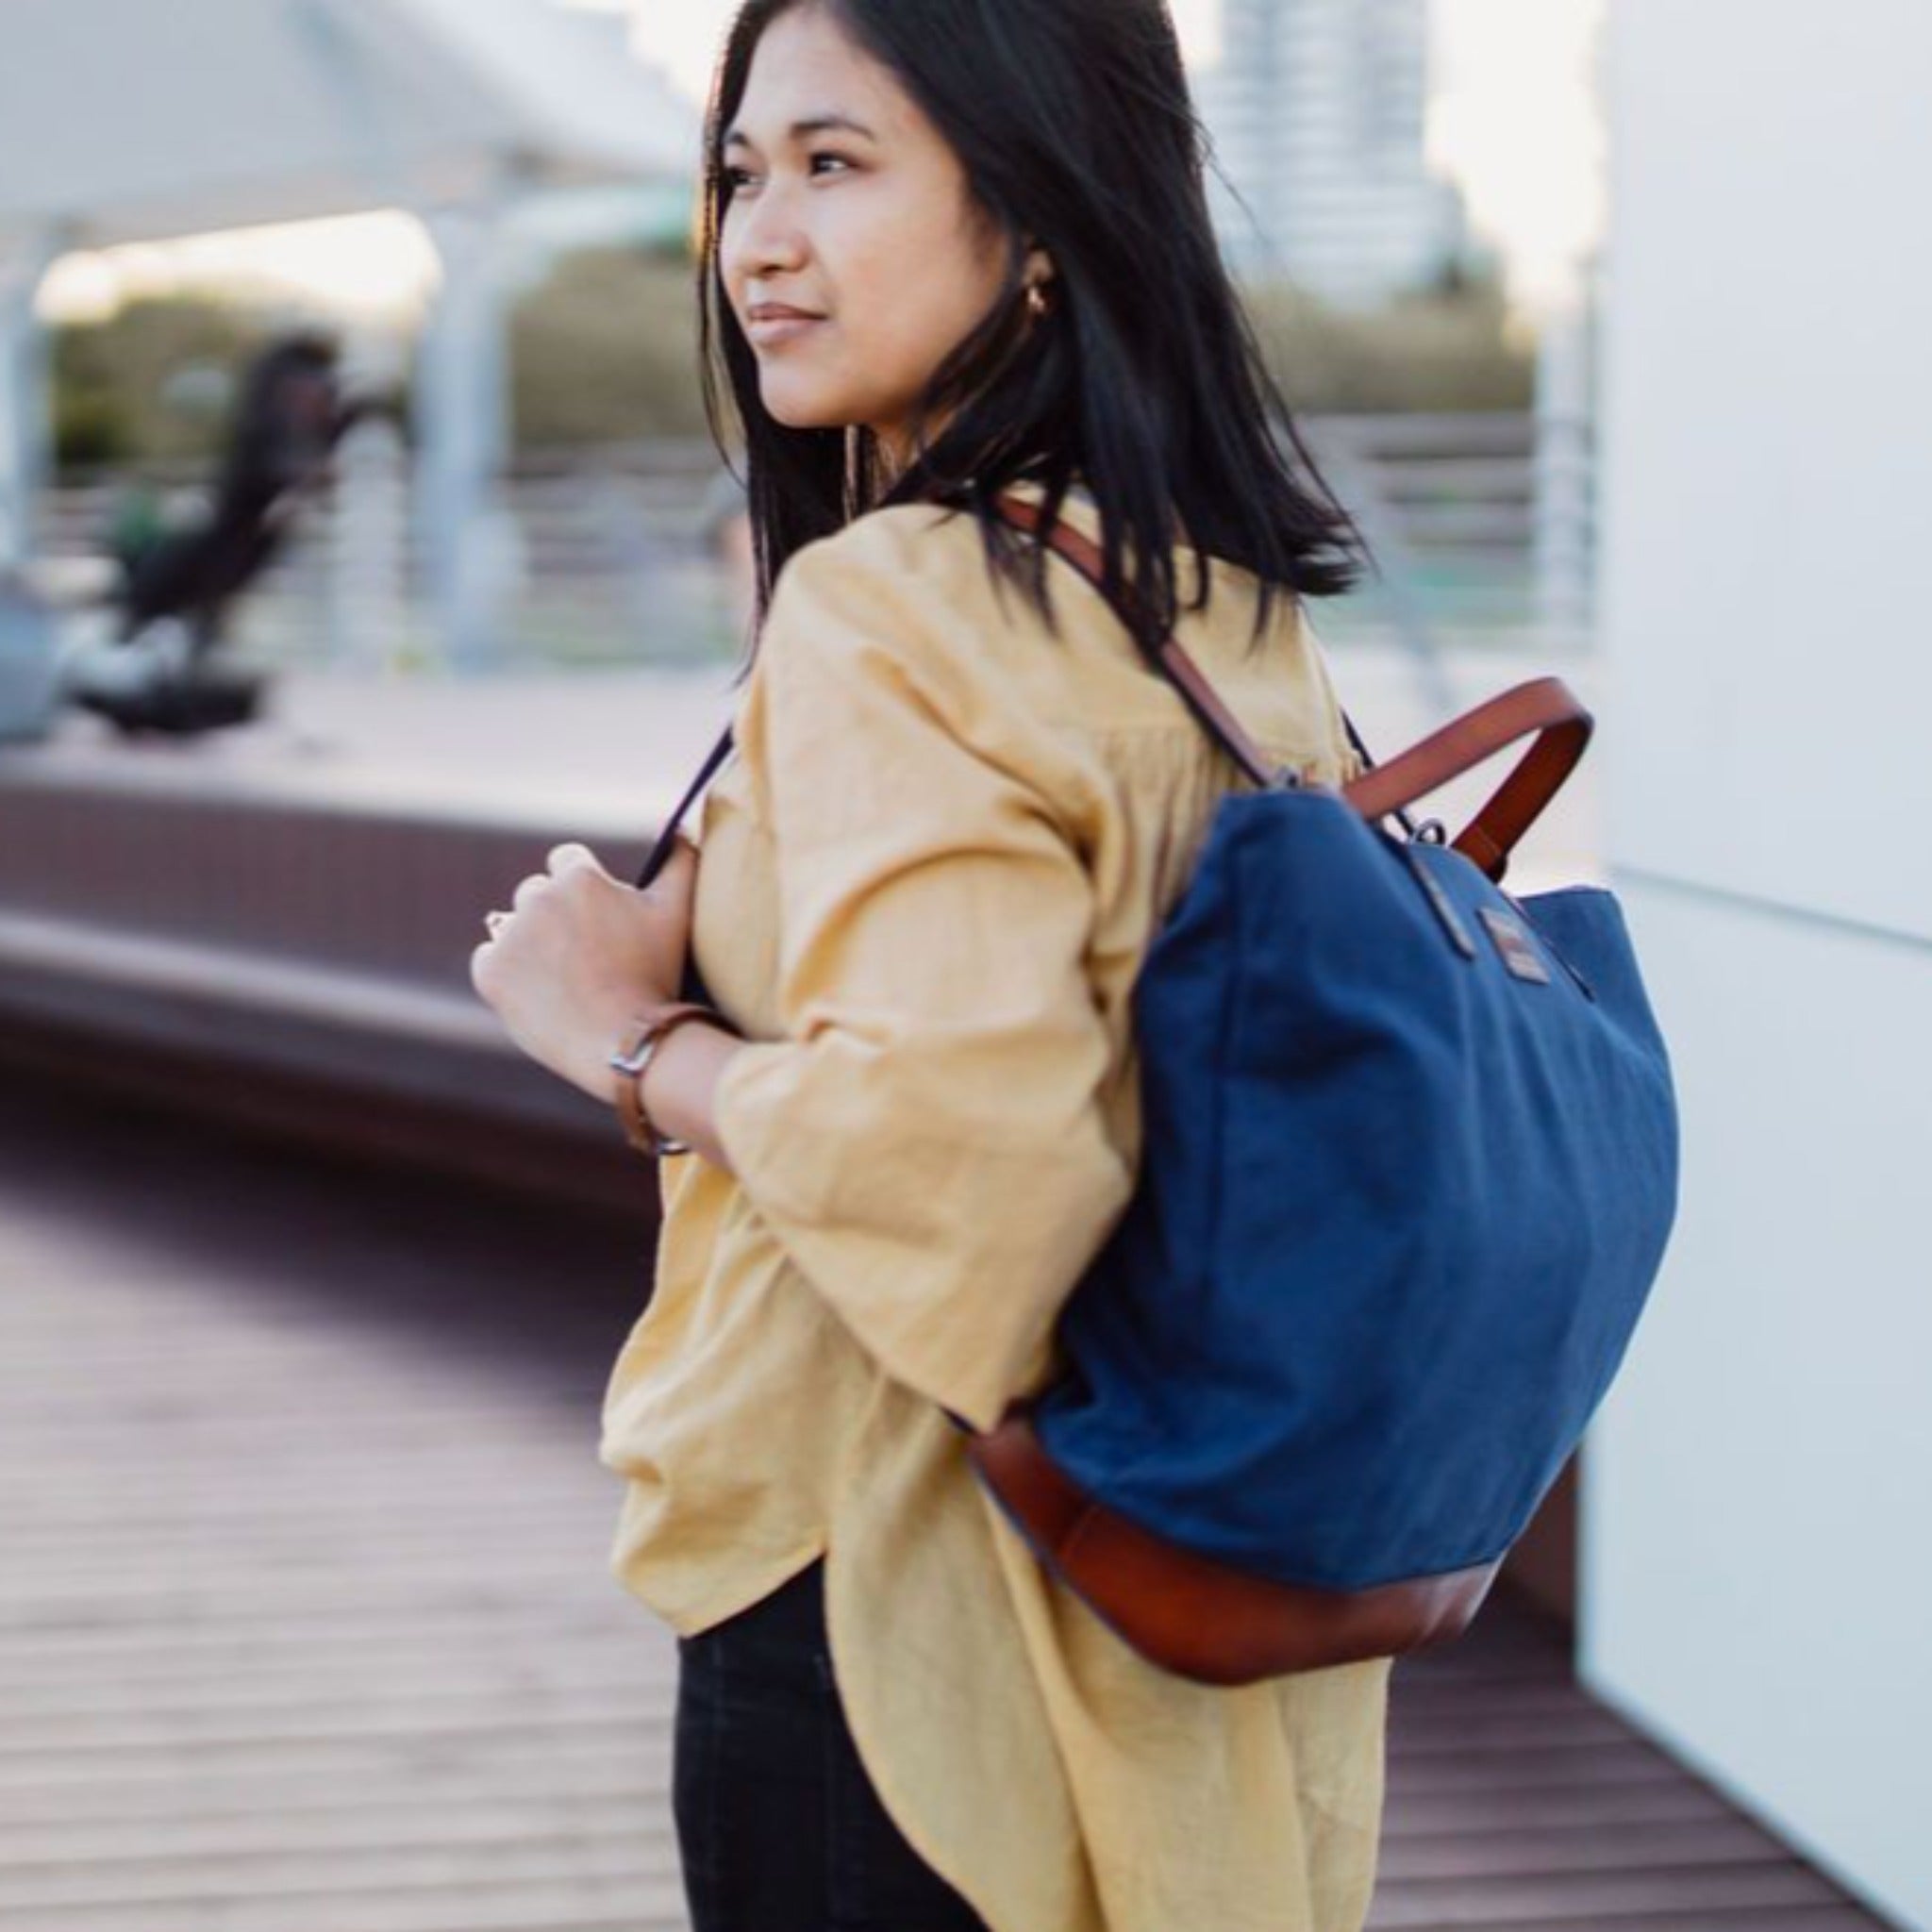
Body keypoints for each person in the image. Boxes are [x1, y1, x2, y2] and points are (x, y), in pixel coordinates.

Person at [469, 2, 1392, 1926]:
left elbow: (974, 1163)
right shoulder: (1208, 609)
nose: (756, 245)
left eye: (834, 164)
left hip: (905, 1629)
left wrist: (632, 1041)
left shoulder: (894, 602)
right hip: (1202, 1609)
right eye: (737, 176)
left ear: (1042, 214)